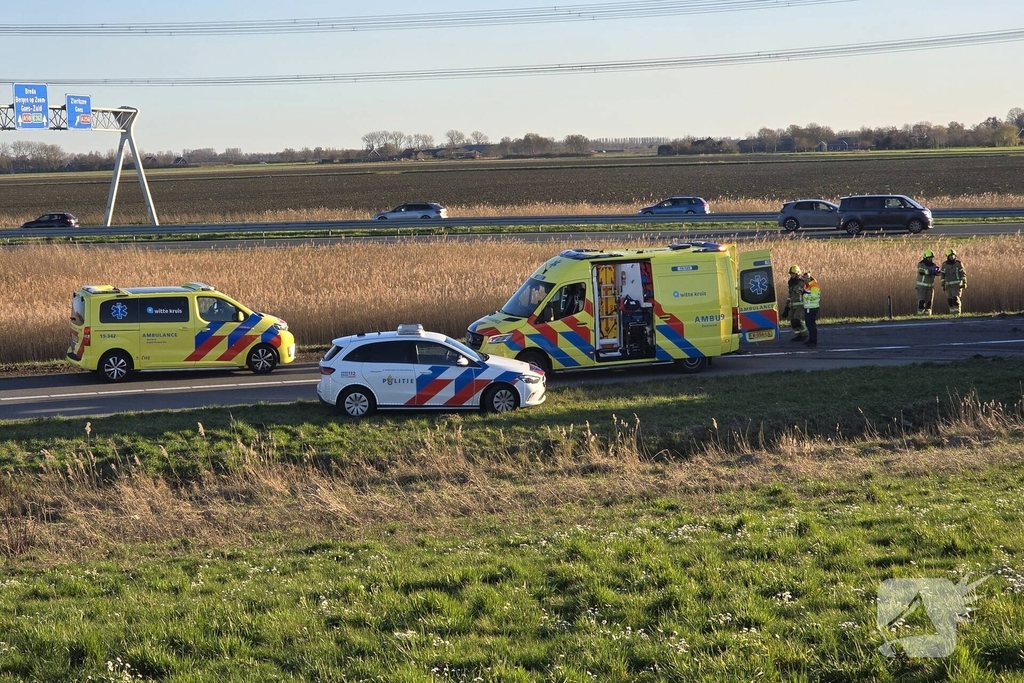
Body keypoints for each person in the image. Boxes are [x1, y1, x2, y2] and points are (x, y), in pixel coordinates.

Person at [781, 265, 807, 342]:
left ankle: (804, 335)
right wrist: (787, 308)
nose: (791, 275)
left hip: (800, 305)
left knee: (798, 320)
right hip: (793, 305)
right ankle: (798, 335)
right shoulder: (791, 283)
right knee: (793, 321)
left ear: (797, 273)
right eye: (791, 273)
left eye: (793, 273)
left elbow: (806, 292)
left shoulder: (801, 282)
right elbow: (790, 295)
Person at [940, 248, 967, 316]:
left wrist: (964, 282)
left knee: (956, 299)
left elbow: (963, 273)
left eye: (953, 255)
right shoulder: (944, 265)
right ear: (948, 257)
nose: (952, 257)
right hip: (948, 286)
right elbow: (942, 275)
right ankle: (952, 314)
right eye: (950, 256)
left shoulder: (958, 264)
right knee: (950, 300)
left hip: (957, 285)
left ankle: (958, 314)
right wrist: (943, 285)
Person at [915, 249, 940, 315]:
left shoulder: (933, 265)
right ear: (925, 257)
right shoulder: (921, 264)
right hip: (921, 287)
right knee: (921, 301)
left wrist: (938, 272)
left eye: (931, 258)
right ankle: (920, 315)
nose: (930, 259)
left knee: (929, 302)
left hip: (930, 287)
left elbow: (937, 273)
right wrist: (931, 271)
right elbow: (922, 271)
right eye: (929, 258)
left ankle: (928, 315)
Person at [801, 272, 821, 347]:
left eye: (804, 278)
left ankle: (813, 341)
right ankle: (810, 339)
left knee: (811, 325)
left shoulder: (814, 286)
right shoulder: (807, 285)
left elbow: (814, 296)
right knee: (808, 324)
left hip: (812, 308)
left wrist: (804, 295)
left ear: (808, 278)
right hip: (808, 307)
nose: (803, 280)